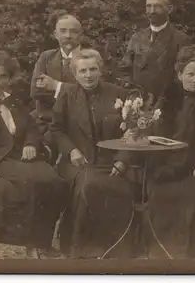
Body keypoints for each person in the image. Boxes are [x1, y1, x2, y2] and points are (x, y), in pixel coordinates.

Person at [0, 51, 66, 258]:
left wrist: (30, 143)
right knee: (29, 183)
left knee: (53, 181)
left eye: (4, 76)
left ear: (9, 79)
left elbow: (31, 129)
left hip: (23, 157)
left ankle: (42, 240)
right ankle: (28, 241)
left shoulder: (14, 102)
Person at [49, 49, 135, 259]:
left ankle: (116, 250)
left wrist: (122, 159)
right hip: (78, 162)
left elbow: (131, 131)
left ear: (101, 70)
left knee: (122, 188)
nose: (88, 75)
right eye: (83, 71)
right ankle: (82, 249)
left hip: (113, 160)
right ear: (75, 74)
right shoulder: (67, 96)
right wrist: (71, 150)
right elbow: (56, 130)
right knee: (88, 186)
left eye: (93, 69)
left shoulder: (118, 94)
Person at [146, 45, 195, 259]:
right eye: (190, 74)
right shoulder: (168, 97)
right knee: (160, 193)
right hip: (166, 160)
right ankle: (162, 250)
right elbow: (156, 131)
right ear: (180, 75)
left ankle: (194, 253)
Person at [118, 0, 191, 103]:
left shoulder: (181, 40)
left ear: (170, 9)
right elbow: (124, 69)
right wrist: (131, 93)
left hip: (167, 104)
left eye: (157, 6)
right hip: (137, 103)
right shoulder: (136, 38)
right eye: (149, 6)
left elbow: (184, 76)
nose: (152, 11)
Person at [29, 13, 83, 133]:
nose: (68, 35)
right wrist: (73, 92)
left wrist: (55, 86)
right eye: (63, 31)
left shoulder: (89, 57)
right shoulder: (46, 57)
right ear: (56, 35)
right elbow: (35, 92)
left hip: (80, 124)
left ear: (80, 35)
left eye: (73, 31)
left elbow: (90, 93)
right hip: (48, 124)